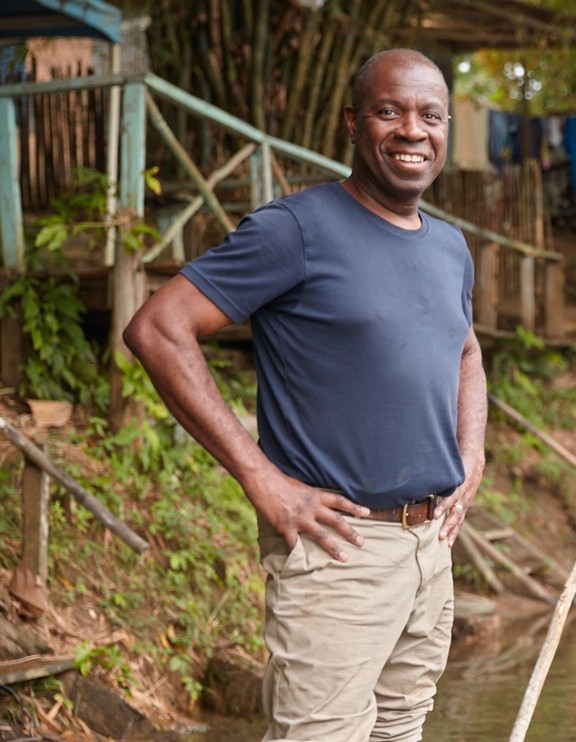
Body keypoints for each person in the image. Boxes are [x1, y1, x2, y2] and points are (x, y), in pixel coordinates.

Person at [123, 48, 486, 742]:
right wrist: (263, 478)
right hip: (337, 553)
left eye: (430, 115)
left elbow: (465, 350)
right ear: (353, 122)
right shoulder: (296, 229)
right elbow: (159, 329)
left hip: (429, 549)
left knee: (402, 729)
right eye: (390, 111)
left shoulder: (450, 248)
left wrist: (473, 455)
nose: (414, 130)